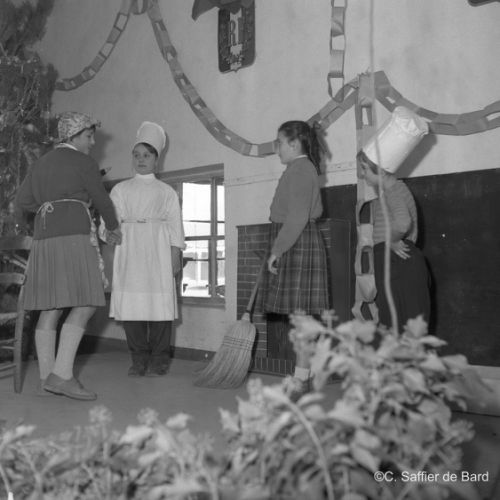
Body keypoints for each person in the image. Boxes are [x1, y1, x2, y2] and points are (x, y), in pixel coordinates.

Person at [15, 111, 121, 400]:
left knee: (51, 307)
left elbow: (23, 202)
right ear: (73, 136)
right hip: (74, 235)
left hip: (44, 238)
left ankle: (46, 379)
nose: (92, 142)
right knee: (87, 302)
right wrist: (113, 228)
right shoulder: (83, 162)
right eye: (88, 136)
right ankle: (62, 375)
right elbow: (102, 200)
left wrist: (49, 206)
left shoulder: (41, 163)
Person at [102, 121, 184, 377]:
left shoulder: (166, 192)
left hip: (158, 251)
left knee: (160, 308)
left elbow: (175, 225)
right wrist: (109, 233)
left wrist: (175, 253)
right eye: (137, 155)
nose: (141, 159)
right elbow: (110, 220)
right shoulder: (121, 189)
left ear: (156, 160)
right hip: (130, 250)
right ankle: (138, 359)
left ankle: (159, 359)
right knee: (133, 307)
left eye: (147, 155)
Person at [263, 120, 330, 400]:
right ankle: (304, 375)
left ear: (294, 143)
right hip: (295, 239)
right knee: (299, 316)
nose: (276, 148)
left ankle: (302, 379)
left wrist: (277, 250)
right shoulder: (297, 169)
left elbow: (298, 217)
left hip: (297, 240)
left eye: (279, 142)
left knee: (301, 317)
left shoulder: (302, 169)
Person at [357, 149, 430, 331]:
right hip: (394, 262)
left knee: (402, 327)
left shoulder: (393, 190)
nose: (361, 174)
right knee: (397, 325)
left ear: (381, 170)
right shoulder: (392, 190)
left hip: (397, 261)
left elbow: (403, 223)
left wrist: (393, 240)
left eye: (364, 168)